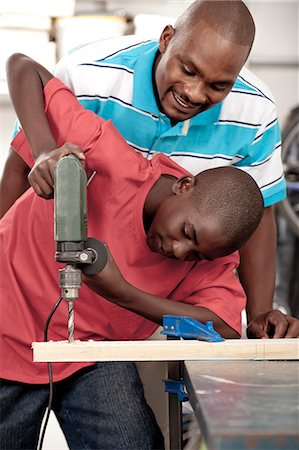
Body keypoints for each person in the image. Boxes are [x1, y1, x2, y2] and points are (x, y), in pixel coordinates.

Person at [0, 53, 264, 450]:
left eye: (195, 254)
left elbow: (222, 328)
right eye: (185, 231)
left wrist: (123, 293)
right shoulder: (105, 156)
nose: (179, 251)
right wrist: (42, 150)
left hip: (91, 356)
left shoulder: (210, 254)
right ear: (183, 185)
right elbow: (23, 67)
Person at [1, 0, 298, 338]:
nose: (195, 93)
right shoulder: (91, 74)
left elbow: (258, 213)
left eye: (218, 86)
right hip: (51, 286)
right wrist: (43, 152)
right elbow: (23, 163)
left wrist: (259, 313)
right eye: (187, 70)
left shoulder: (255, 112)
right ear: (167, 39)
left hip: (137, 305)